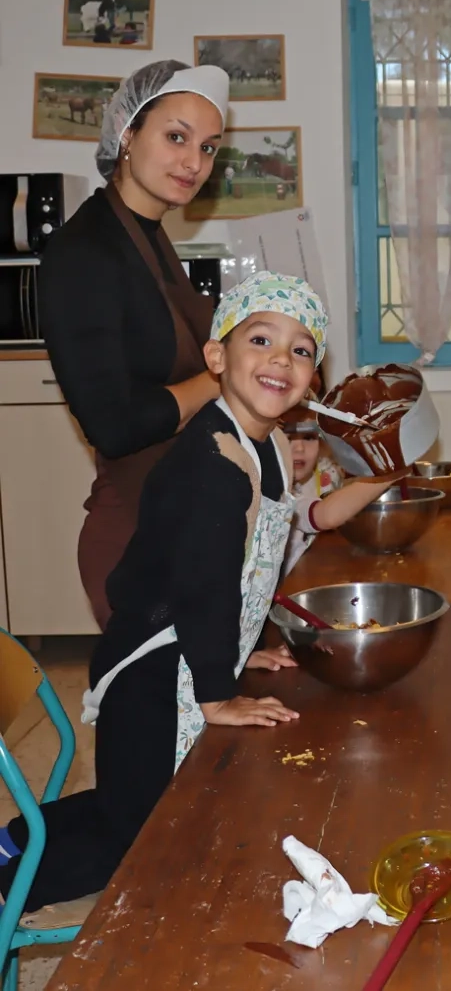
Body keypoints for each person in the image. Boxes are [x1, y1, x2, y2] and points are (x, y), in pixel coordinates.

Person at [0, 271, 325, 913]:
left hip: (179, 651)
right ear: (216, 357)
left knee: (127, 800)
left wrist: (249, 644)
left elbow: (249, 571)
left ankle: (12, 841)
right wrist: (218, 695)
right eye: (261, 340)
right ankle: (9, 888)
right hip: (152, 675)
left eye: (301, 349)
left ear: (312, 377)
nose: (281, 360)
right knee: (141, 837)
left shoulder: (267, 445)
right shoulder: (213, 466)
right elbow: (203, 588)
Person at [41, 59, 230, 629]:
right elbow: (116, 426)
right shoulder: (84, 252)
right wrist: (223, 376)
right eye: (177, 137)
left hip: (182, 524)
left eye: (209, 148)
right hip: (137, 547)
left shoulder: (150, 238)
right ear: (127, 134)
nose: (194, 163)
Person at [280, 398, 397, 576]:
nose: (300, 448)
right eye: (288, 438)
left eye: (309, 437)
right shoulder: (276, 495)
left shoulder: (325, 473)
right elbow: (326, 516)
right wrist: (391, 471)